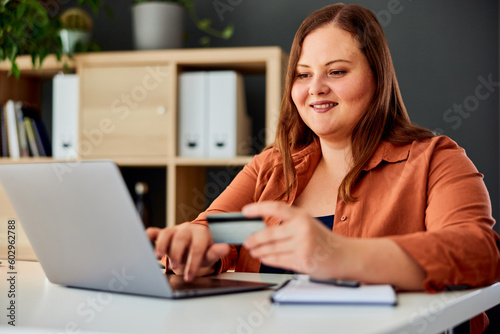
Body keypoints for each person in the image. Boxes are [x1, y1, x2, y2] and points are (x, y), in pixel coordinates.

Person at [147, 3, 500, 332]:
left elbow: (479, 253)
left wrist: (338, 254)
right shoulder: (271, 165)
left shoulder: (435, 159)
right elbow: (218, 232)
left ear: (377, 78)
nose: (315, 88)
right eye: (303, 75)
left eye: (336, 71)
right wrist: (193, 249)